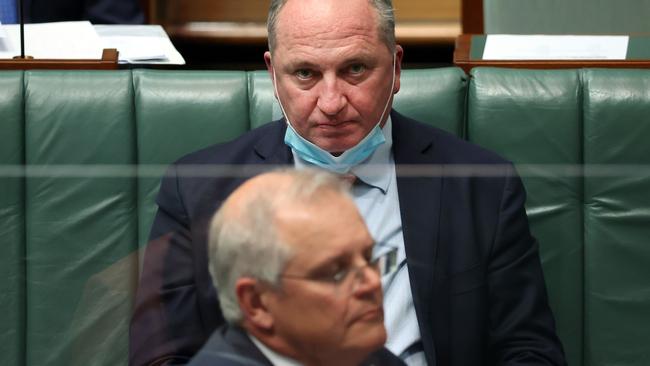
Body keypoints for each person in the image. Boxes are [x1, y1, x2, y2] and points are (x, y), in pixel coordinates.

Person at [130, 0, 567, 365]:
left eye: (355, 69)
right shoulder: (198, 188)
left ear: (395, 69)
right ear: (273, 76)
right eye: (305, 74)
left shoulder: (482, 185)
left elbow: (529, 351)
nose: (332, 102)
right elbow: (161, 356)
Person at [187, 169, 404, 366]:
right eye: (337, 274)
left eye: (369, 258)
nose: (373, 283)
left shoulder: (375, 360)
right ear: (256, 303)